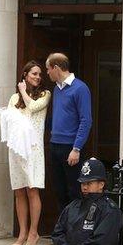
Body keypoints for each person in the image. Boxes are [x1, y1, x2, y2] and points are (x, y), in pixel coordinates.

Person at [0, 61, 51, 245]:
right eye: (34, 74)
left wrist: (23, 92)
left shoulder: (45, 94)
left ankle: (33, 233)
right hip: (17, 149)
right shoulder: (14, 98)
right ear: (25, 75)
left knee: (32, 189)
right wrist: (19, 94)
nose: (37, 77)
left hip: (34, 149)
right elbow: (10, 120)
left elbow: (34, 107)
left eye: (39, 74)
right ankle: (22, 233)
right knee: (19, 191)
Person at [51, 158, 122, 245]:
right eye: (82, 183)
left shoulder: (110, 210)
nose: (84, 186)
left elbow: (101, 240)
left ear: (101, 184)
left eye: (89, 183)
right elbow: (58, 232)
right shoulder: (72, 207)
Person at [45, 52, 92, 213]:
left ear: (56, 68)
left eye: (48, 69)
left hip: (70, 148)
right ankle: (63, 232)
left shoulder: (80, 88)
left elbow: (86, 121)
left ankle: (75, 232)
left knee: (74, 191)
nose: (47, 72)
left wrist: (76, 148)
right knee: (59, 192)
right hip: (54, 145)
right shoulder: (57, 89)